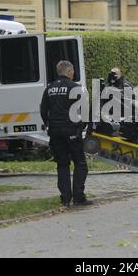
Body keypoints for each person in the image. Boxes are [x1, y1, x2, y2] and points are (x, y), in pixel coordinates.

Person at [40, 61, 91, 207]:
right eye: (73, 72)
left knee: (62, 164)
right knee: (80, 164)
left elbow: (43, 110)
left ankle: (65, 198)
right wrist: (81, 127)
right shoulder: (75, 88)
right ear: (69, 72)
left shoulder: (49, 89)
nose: (73, 74)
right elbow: (85, 111)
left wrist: (50, 124)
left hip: (55, 132)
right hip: (71, 130)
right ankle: (79, 197)